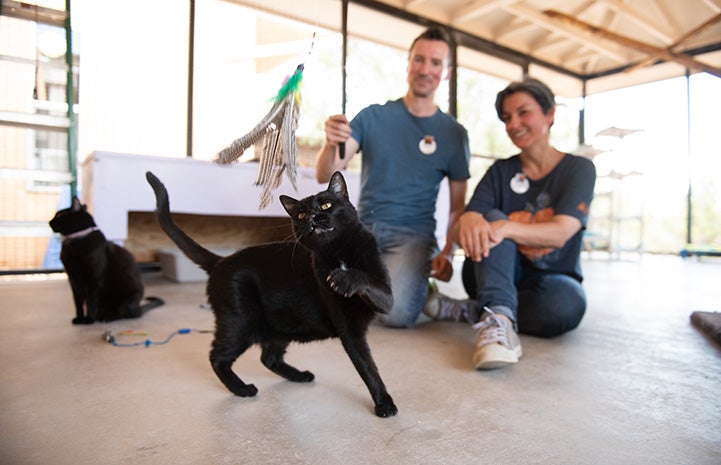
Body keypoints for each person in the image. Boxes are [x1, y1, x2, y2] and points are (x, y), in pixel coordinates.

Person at [425, 78, 596, 369]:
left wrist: (505, 227)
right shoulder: (500, 171)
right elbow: (469, 218)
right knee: (488, 218)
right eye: (506, 117)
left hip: (550, 282)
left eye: (523, 112)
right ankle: (499, 321)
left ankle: (475, 311)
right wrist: (462, 228)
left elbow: (561, 232)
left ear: (550, 114)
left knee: (565, 308)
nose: (513, 123)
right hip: (489, 273)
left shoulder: (578, 169)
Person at [316, 26, 471, 328]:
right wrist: (330, 141)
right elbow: (326, 173)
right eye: (419, 60)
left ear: (447, 72)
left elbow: (457, 207)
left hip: (412, 236)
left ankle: (415, 285)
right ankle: (408, 287)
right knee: (318, 295)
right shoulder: (373, 116)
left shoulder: (454, 134)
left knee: (395, 313)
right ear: (408, 64)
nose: (426, 69)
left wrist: (449, 253)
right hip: (361, 230)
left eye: (436, 63)